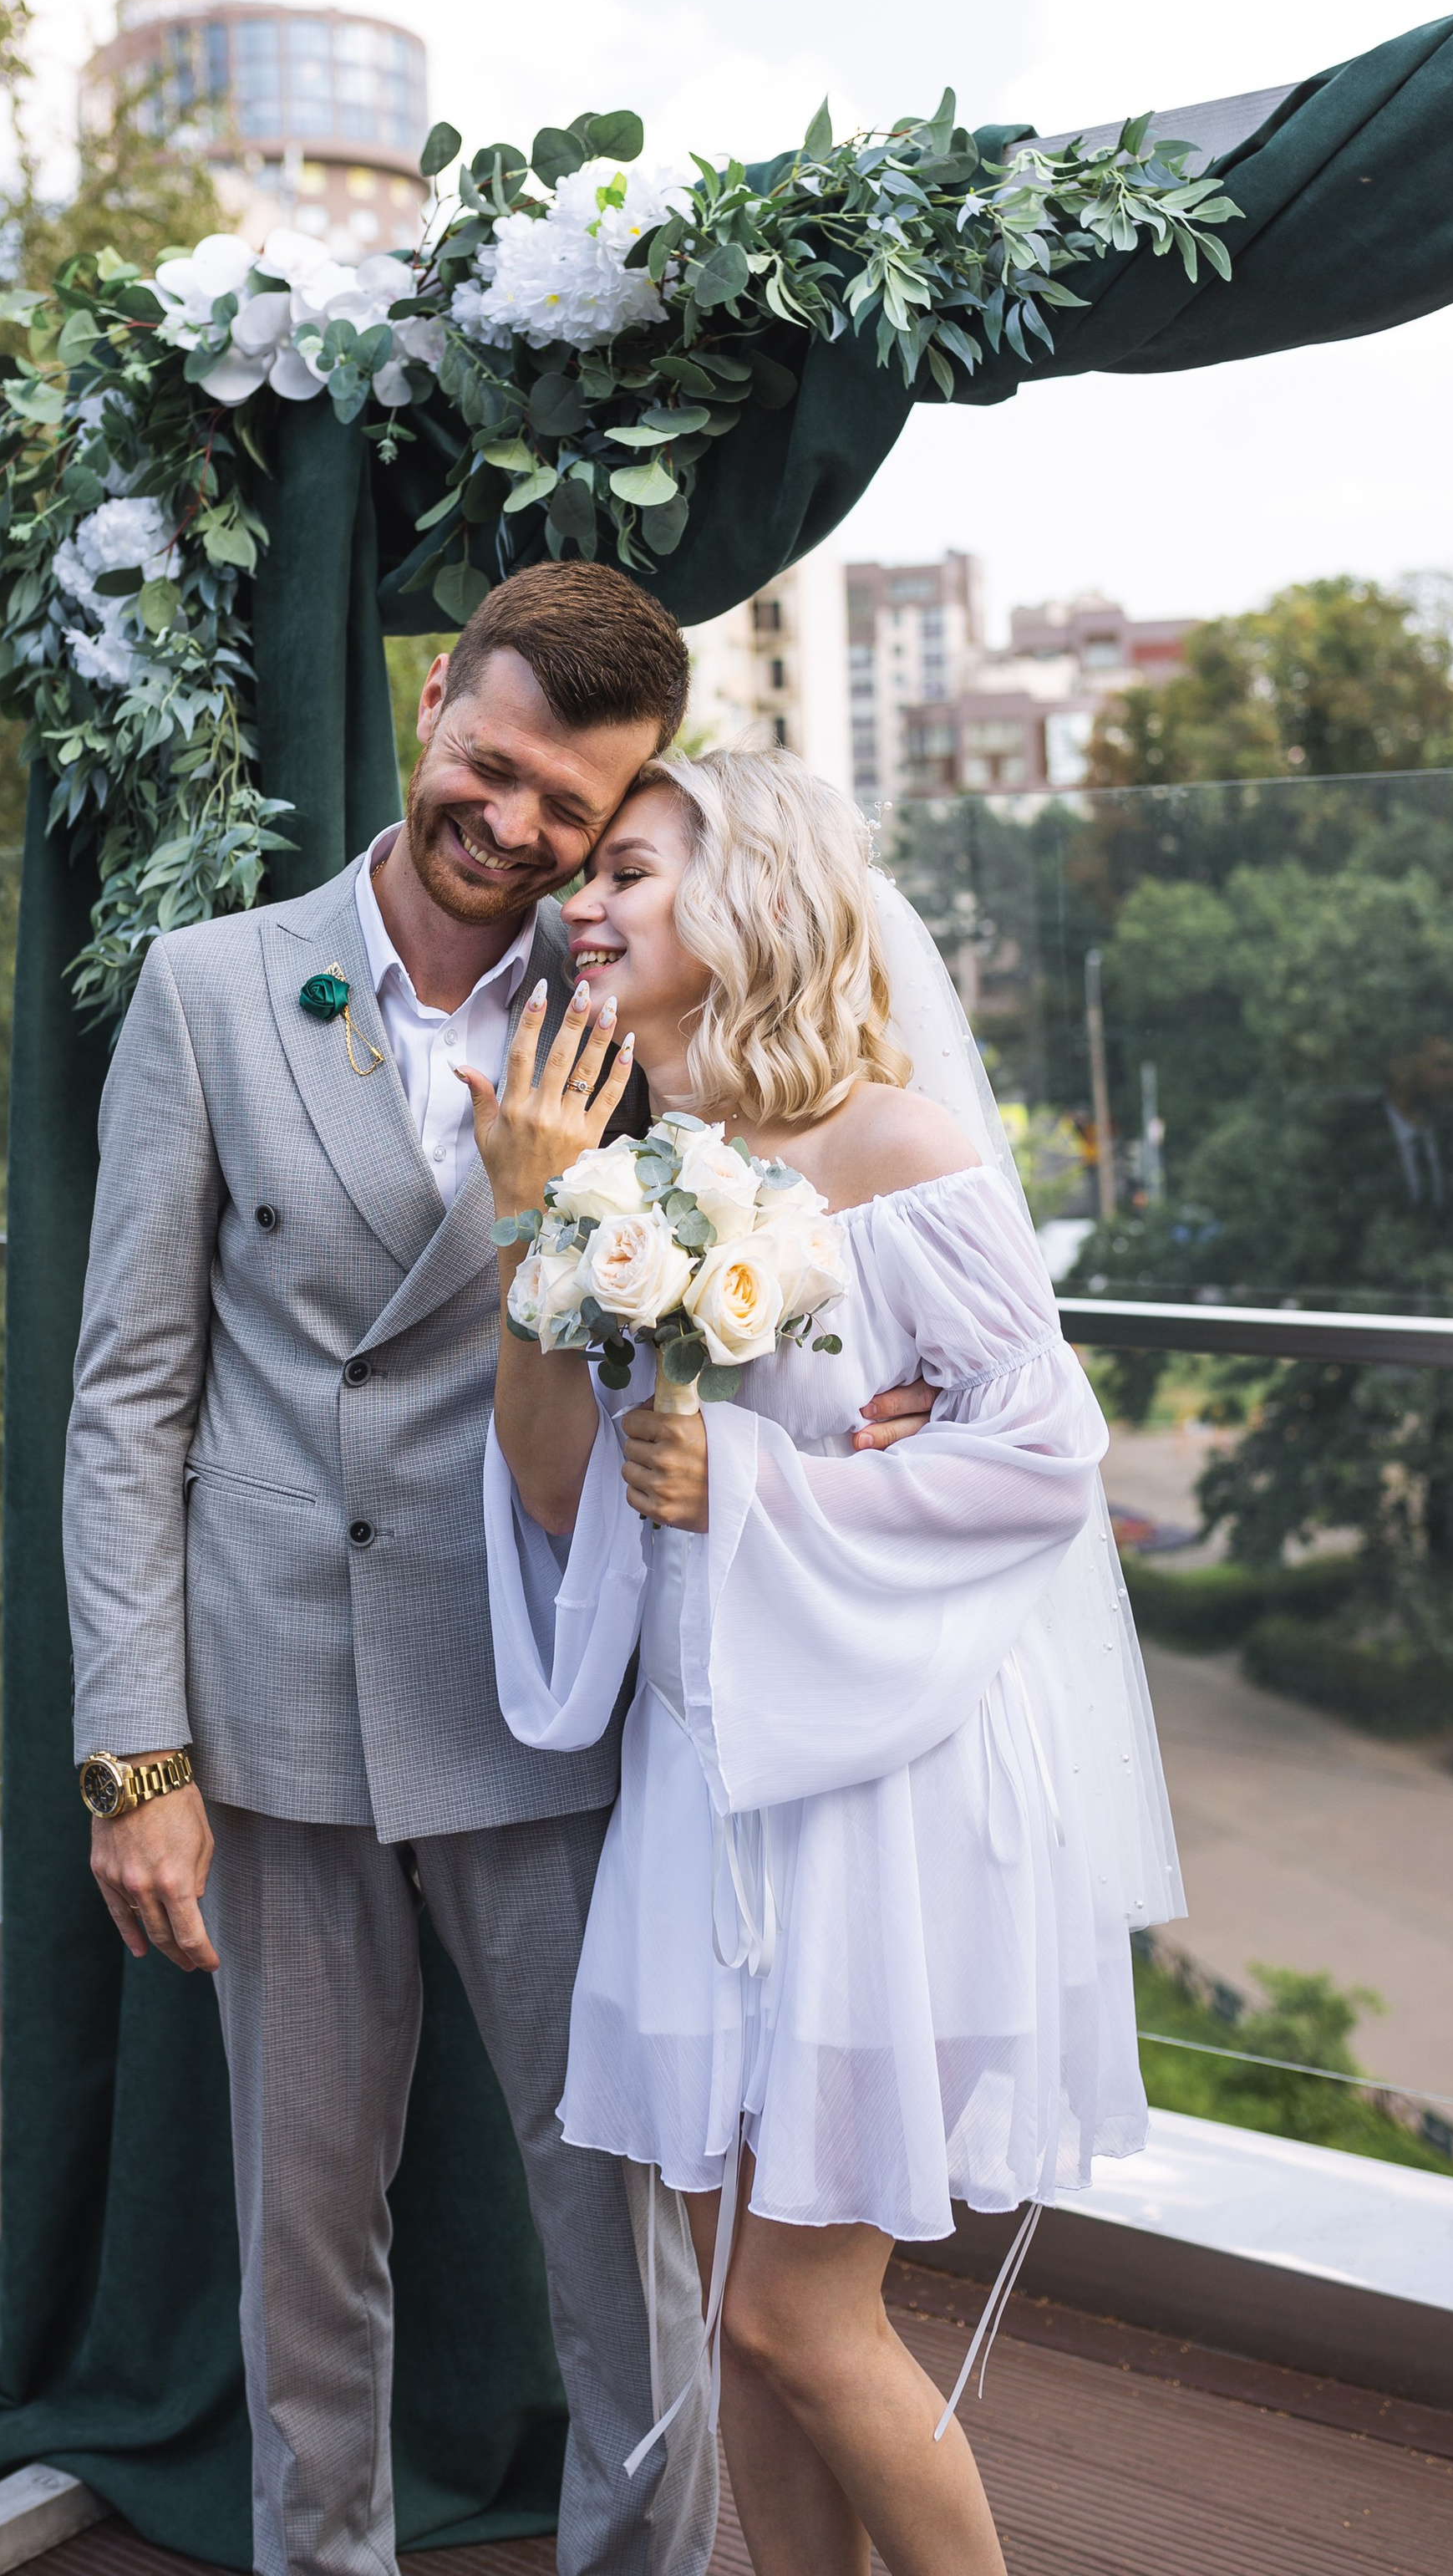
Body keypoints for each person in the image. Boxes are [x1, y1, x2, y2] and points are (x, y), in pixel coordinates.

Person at [59, 564, 939, 2576]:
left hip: (551, 1700)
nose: (520, 828)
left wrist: (851, 1417)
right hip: (270, 1713)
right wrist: (136, 1755)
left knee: (613, 2240)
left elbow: (790, 1236)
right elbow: (128, 1399)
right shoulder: (211, 989)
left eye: (573, 804)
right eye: (494, 765)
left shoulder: (634, 993)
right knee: (301, 2246)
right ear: (433, 697)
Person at [468, 749, 1183, 2576]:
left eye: (630, 869)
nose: (585, 904)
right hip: (705, 1778)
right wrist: (528, 1220)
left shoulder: (894, 1148)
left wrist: (762, 1483)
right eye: (588, 877)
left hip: (874, 1791)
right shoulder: (634, 1170)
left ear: (753, 893)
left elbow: (1040, 1456)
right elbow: (555, 1491)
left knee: (801, 2316)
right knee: (735, 2322)